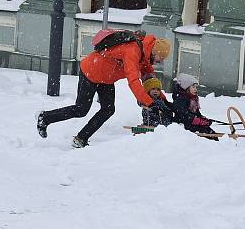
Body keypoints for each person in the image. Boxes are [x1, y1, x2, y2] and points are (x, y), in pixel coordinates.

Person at [36, 34, 172, 148]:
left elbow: (149, 79)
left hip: (106, 79)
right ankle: (45, 118)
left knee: (108, 109)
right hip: (91, 72)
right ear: (155, 52)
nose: (161, 61)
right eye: (162, 57)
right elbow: (133, 81)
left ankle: (80, 139)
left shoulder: (145, 57)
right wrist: (149, 102)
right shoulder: (133, 51)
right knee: (81, 110)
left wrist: (164, 101)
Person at [170, 72, 218, 140]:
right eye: (193, 86)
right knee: (207, 133)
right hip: (183, 125)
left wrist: (202, 118)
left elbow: (196, 113)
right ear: (186, 87)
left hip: (191, 123)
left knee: (209, 131)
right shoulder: (180, 99)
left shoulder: (193, 99)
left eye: (196, 87)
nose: (195, 89)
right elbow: (184, 115)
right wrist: (198, 121)